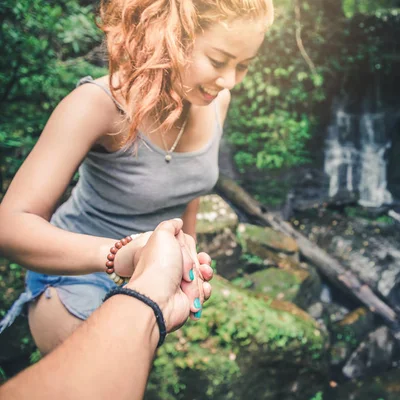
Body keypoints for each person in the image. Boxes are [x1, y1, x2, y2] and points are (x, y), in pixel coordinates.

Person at [0, 0, 274, 354]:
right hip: (74, 279)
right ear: (172, 38)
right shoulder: (98, 105)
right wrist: (117, 254)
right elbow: (9, 226)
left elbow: (186, 190)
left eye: (244, 65)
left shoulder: (216, 100)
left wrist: (185, 260)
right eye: (219, 61)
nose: (229, 80)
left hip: (149, 278)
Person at [0, 218, 208, 400]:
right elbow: (7, 226)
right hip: (72, 262)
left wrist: (184, 257)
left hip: (150, 260)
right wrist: (124, 254)